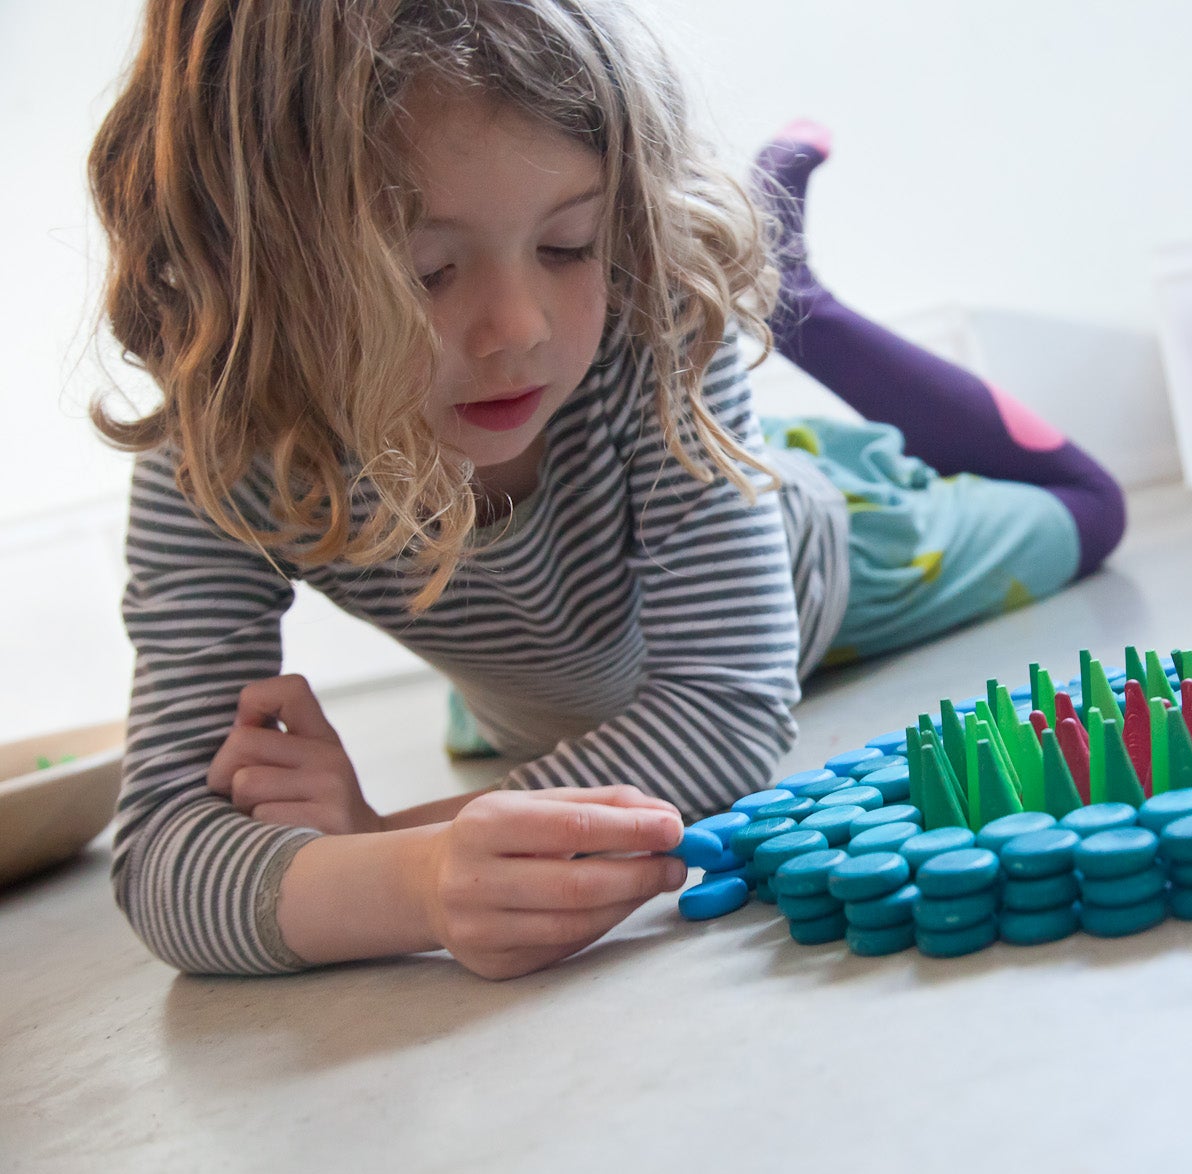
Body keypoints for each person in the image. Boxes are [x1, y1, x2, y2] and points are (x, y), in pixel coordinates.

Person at [90, 0, 1125, 981]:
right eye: (425, 272)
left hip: (843, 549)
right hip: (556, 677)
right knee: (551, 700)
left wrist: (380, 842)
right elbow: (160, 856)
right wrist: (414, 885)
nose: (521, 328)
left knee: (1085, 509)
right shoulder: (221, 442)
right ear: (252, 269)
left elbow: (722, 713)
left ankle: (790, 291)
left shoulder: (655, 303)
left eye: (567, 246)